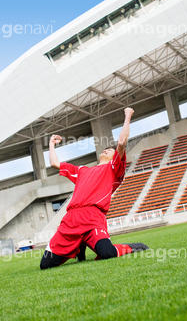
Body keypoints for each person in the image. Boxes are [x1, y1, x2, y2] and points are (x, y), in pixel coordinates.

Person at [40, 107, 149, 269]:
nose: (107, 150)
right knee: (45, 264)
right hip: (71, 219)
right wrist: (51, 144)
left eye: (110, 150)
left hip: (93, 218)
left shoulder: (113, 169)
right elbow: (55, 163)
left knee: (107, 253)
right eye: (105, 149)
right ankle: (79, 247)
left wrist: (128, 115)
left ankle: (132, 247)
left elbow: (121, 142)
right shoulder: (82, 171)